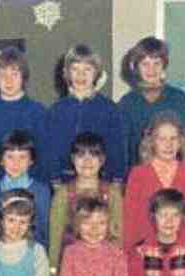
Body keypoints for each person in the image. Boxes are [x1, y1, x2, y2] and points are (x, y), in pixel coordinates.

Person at [46, 44, 126, 184]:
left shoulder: (110, 109)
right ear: (66, 73)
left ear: (97, 73)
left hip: (101, 181)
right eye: (75, 69)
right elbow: (51, 151)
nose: (81, 75)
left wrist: (116, 181)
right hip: (65, 182)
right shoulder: (56, 111)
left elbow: (117, 150)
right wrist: (55, 180)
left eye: (87, 69)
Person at [0, 47, 49, 186]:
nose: (9, 81)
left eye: (14, 74)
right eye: (3, 75)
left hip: (31, 186)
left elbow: (45, 156)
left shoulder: (38, 112)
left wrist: (37, 187)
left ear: (23, 77)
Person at [122, 111, 185, 251]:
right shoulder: (138, 174)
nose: (169, 144)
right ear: (151, 142)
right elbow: (129, 220)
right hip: (145, 249)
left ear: (181, 142)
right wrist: (130, 252)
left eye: (174, 138)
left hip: (182, 250)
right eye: (162, 139)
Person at [48, 132, 123, 267]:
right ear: (73, 159)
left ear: (102, 160)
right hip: (71, 266)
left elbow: (118, 235)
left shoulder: (112, 193)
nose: (87, 162)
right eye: (81, 156)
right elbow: (55, 237)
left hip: (105, 264)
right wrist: (53, 268)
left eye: (93, 155)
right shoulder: (63, 193)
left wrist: (117, 266)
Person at [118, 36, 185, 170]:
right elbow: (123, 148)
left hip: (174, 171)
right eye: (145, 64)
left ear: (164, 65)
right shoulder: (127, 103)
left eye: (156, 63)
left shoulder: (179, 98)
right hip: (140, 172)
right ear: (136, 67)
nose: (151, 70)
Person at [0, 129, 52, 248]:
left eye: (22, 157)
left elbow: (44, 229)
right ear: (1, 160)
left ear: (31, 161)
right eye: (10, 157)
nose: (16, 163)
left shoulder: (41, 191)